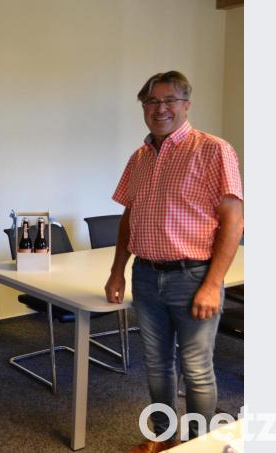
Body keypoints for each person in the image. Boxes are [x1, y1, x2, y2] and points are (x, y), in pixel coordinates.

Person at [104, 71, 243, 453]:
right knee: (156, 365)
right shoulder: (139, 157)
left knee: (197, 370)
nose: (159, 109)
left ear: (186, 104)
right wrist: (117, 270)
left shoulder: (214, 150)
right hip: (146, 276)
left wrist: (214, 284)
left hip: (193, 277)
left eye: (168, 100)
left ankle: (199, 446)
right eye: (151, 102)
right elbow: (129, 217)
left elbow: (234, 220)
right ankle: (164, 438)